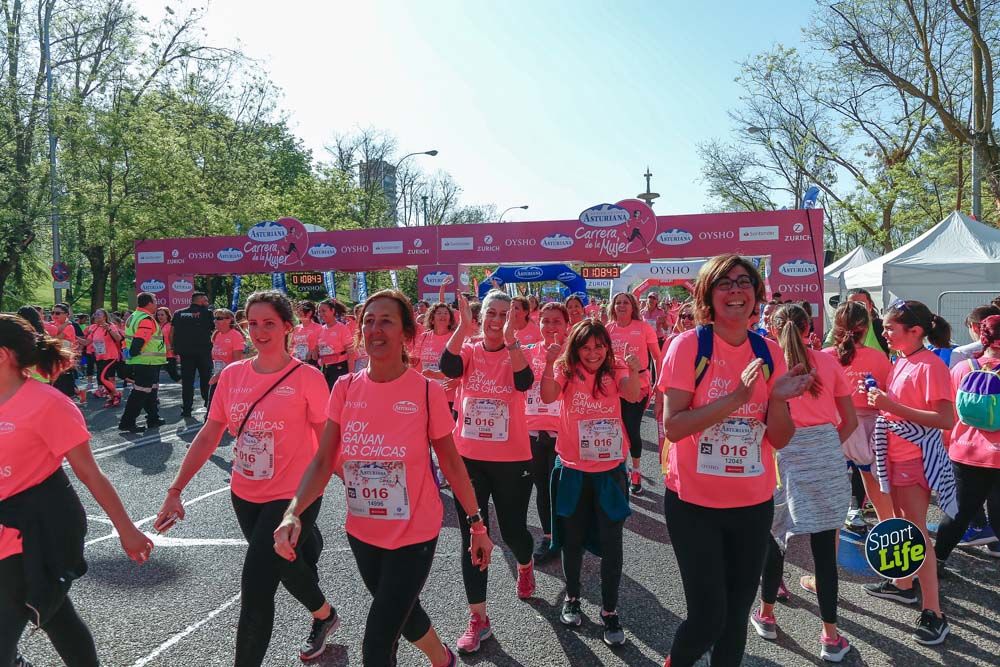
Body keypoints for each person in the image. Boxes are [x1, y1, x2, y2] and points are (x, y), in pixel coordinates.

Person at [274, 290, 492, 667]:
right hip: (363, 532)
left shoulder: (425, 391)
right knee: (403, 612)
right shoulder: (344, 388)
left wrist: (476, 524)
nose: (375, 329)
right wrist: (293, 512)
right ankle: (443, 659)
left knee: (376, 645)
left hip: (414, 534)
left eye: (386, 320)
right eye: (369, 321)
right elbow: (325, 458)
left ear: (407, 332)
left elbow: (453, 464)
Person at [155, 290, 339, 665]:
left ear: (287, 327)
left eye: (269, 323)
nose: (259, 331)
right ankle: (325, 615)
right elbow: (210, 434)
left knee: (256, 587)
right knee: (286, 567)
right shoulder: (233, 376)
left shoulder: (308, 378)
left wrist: (355, 485)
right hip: (245, 493)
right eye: (252, 323)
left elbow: (327, 444)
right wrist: (175, 490)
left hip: (294, 497)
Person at [658, 254, 813, 667]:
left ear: (757, 294)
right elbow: (673, 426)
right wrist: (737, 400)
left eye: (744, 282)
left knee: (736, 616)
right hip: (695, 504)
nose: (735, 290)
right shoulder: (688, 346)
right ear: (709, 294)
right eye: (724, 283)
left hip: (752, 503)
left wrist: (776, 399)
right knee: (709, 616)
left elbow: (779, 436)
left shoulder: (768, 351)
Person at [0, 314, 152, 667]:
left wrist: (126, 530)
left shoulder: (48, 404)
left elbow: (90, 473)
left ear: (3, 355)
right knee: (56, 616)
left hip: (34, 532)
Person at [751, 304, 856, 662]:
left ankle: (766, 614)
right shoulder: (828, 362)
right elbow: (851, 421)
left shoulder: (765, 365)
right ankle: (830, 637)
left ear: (773, 328)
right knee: (825, 552)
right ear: (809, 329)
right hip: (825, 450)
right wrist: (824, 445)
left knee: (775, 540)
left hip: (782, 452)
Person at [440, 290, 536, 655]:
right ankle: (478, 618)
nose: (496, 321)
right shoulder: (469, 349)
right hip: (470, 460)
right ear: (480, 317)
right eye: (490, 314)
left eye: (503, 315)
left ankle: (525, 565)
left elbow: (524, 382)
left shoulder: (516, 349)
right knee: (473, 537)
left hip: (512, 461)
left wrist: (511, 339)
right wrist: (462, 329)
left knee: (512, 532)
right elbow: (448, 367)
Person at [539, 318, 641, 646]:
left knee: (613, 545)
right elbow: (548, 394)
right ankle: (572, 597)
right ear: (576, 348)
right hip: (572, 469)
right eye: (586, 347)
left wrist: (637, 369)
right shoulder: (565, 369)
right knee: (572, 540)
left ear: (607, 347)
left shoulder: (616, 367)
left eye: (599, 346)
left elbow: (633, 394)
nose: (593, 353)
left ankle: (610, 611)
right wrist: (547, 362)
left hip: (609, 471)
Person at [863, 299, 955, 645]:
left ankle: (934, 611)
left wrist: (889, 405)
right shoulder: (903, 360)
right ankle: (903, 584)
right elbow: (902, 408)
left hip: (914, 460)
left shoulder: (931, 366)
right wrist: (881, 399)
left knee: (916, 534)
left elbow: (946, 420)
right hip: (897, 457)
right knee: (902, 528)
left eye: (889, 328)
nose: (882, 332)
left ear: (915, 331)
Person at [821, 302, 894, 530]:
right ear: (867, 327)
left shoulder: (823, 357)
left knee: (831, 492)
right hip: (868, 430)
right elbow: (887, 394)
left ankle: (827, 544)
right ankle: (888, 533)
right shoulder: (879, 357)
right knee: (874, 485)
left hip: (833, 427)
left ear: (836, 326)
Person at [935, 314, 1000, 567]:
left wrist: (948, 444)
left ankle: (938, 560)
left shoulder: (963, 368)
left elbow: (951, 415)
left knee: (958, 512)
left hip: (966, 452)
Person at [524, 302, 570, 563]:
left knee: (564, 487)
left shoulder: (575, 352)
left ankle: (569, 534)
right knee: (541, 486)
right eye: (546, 321)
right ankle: (549, 536)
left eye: (556, 321)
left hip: (564, 432)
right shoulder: (529, 352)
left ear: (565, 325)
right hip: (532, 430)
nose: (550, 326)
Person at [607, 291, 661, 495]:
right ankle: (620, 468)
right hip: (612, 385)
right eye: (618, 302)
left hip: (639, 383)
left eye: (626, 303)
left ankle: (636, 470)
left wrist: (659, 382)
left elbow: (657, 357)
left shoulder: (643, 327)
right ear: (613, 307)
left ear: (633, 307)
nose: (621, 306)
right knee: (615, 428)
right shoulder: (607, 329)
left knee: (631, 428)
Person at [118, 292, 166, 433]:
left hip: (143, 361)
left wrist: (130, 357)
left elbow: (127, 340)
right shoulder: (146, 319)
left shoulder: (133, 316)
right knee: (140, 393)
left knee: (150, 391)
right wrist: (133, 353)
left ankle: (153, 418)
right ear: (149, 303)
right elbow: (140, 339)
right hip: (146, 361)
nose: (156, 303)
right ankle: (127, 422)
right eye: (155, 300)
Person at [172, 292, 215, 417]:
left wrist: (174, 348)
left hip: (185, 353)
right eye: (206, 300)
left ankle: (186, 409)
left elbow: (172, 332)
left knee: (187, 382)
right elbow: (215, 329)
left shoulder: (178, 313)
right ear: (200, 300)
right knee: (206, 379)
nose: (207, 303)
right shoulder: (208, 313)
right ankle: (208, 405)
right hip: (204, 352)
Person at [412, 303, 460, 414]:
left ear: (450, 319)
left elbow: (465, 364)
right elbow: (416, 364)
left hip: (449, 394)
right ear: (432, 319)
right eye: (438, 313)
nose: (442, 315)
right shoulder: (423, 337)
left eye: (446, 313)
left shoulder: (456, 337)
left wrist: (457, 380)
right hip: (427, 392)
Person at [83, 309, 124, 408]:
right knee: (103, 378)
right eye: (95, 314)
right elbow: (87, 342)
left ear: (105, 317)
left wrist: (108, 329)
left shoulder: (110, 326)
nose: (96, 316)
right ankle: (112, 397)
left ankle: (116, 394)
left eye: (99, 315)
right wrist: (74, 338)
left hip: (110, 356)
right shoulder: (94, 328)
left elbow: (118, 338)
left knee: (107, 377)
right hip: (99, 356)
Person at [208, 308, 245, 407]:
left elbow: (237, 362)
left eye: (219, 318)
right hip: (218, 375)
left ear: (229, 320)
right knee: (212, 407)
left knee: (225, 407)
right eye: (215, 318)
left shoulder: (235, 336)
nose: (215, 320)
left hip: (230, 378)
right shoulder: (217, 335)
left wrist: (218, 376)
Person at [317, 298, 354, 390]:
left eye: (323, 311)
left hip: (339, 368)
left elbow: (350, 353)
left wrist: (351, 374)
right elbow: (318, 351)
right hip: (325, 369)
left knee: (338, 396)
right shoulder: (320, 329)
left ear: (332, 311)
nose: (321, 314)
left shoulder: (342, 328)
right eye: (319, 311)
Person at [43, 303, 79, 399]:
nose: (54, 315)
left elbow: (55, 338)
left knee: (65, 392)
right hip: (53, 362)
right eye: (52, 312)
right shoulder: (51, 324)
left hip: (64, 363)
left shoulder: (69, 327)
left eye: (58, 313)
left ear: (66, 315)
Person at [846, 289, 890, 354]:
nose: (855, 309)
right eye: (851, 305)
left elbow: (900, 350)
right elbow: (827, 348)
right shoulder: (841, 327)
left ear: (870, 306)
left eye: (860, 304)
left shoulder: (881, 327)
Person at [292, 301, 322, 365]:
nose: (297, 313)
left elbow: (322, 345)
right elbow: (293, 345)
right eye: (297, 310)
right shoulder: (296, 328)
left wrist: (312, 352)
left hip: (312, 362)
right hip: (297, 361)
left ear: (309, 313)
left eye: (300, 311)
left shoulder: (319, 328)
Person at [156, 307, 181, 382]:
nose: (160, 316)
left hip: (169, 354)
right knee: (154, 374)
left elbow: (176, 339)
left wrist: (176, 353)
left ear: (167, 315)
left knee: (173, 374)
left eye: (162, 315)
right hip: (157, 354)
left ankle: (187, 386)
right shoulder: (156, 326)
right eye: (158, 315)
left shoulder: (170, 326)